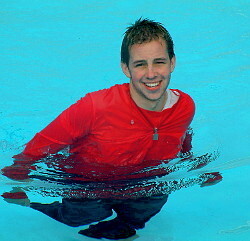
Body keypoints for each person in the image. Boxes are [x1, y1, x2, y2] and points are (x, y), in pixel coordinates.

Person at [2, 18, 196, 239]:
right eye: (140, 64)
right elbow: (41, 145)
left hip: (144, 183)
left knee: (145, 212)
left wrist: (199, 167)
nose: (151, 73)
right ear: (126, 68)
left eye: (159, 62)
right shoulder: (95, 107)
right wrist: (14, 178)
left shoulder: (185, 106)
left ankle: (123, 225)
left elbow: (183, 137)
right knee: (78, 217)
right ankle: (34, 205)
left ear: (173, 62)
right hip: (86, 182)